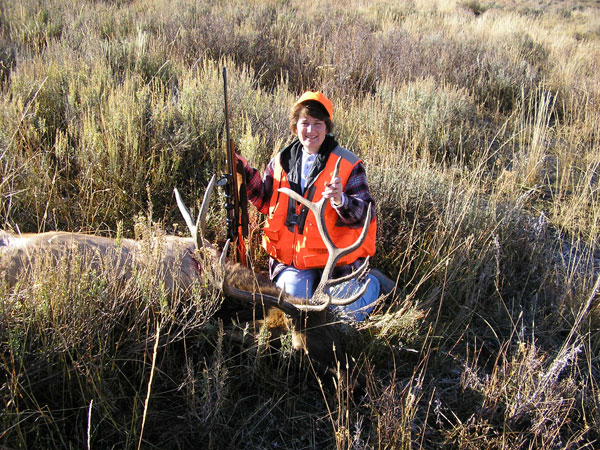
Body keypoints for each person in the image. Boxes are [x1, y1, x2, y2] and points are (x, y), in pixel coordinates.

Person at [237, 91, 380, 321]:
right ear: (296, 126)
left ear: (327, 128)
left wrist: (340, 200)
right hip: (295, 263)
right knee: (291, 315)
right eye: (305, 123)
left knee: (342, 318)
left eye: (318, 124)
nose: (311, 131)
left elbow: (365, 215)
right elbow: (265, 201)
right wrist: (245, 170)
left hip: (337, 267)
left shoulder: (348, 164)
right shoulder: (281, 162)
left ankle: (372, 284)